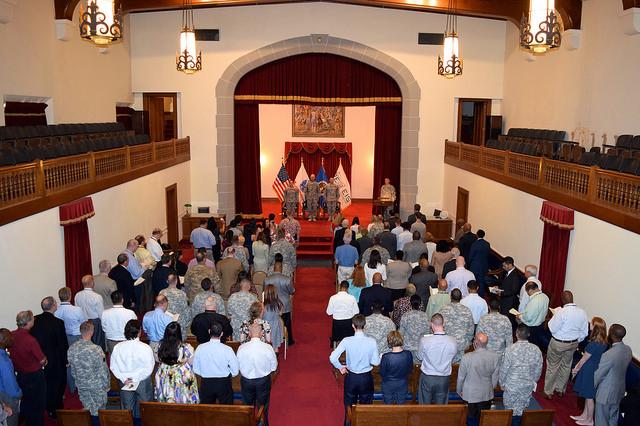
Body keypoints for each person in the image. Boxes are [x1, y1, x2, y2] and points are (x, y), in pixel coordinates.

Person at [329, 314, 379, 423]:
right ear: (364, 325)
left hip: (351, 378)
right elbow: (376, 362)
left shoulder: (347, 340)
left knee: (349, 406)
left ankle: (349, 423)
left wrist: (340, 367)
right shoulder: (372, 341)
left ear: (353, 326)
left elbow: (332, 357)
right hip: (366, 378)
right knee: (365, 407)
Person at [543, 290, 589, 400]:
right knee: (566, 365)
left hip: (559, 343)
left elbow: (552, 328)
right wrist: (576, 340)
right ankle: (560, 389)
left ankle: (548, 391)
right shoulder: (582, 312)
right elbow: (584, 332)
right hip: (573, 343)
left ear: (563, 300)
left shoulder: (561, 312)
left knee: (553, 366)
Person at [31, 297, 68, 418]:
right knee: (56, 385)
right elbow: (62, 344)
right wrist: (66, 360)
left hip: (38, 358)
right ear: (53, 306)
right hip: (55, 360)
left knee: (44, 384)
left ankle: (45, 406)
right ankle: (55, 409)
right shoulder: (58, 323)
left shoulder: (35, 320)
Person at [110, 320, 155, 419]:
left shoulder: (118, 347)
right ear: (139, 332)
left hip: (125, 381)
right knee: (144, 408)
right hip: (141, 381)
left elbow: (113, 366)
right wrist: (135, 378)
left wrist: (124, 379)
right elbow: (149, 368)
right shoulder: (146, 348)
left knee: (127, 409)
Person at [500, 325, 543, 426]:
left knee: (510, 412)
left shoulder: (510, 349)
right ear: (528, 334)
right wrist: (532, 381)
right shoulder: (536, 349)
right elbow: (538, 370)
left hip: (511, 386)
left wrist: (501, 383)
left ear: (516, 334)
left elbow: (504, 369)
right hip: (527, 386)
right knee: (522, 410)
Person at [237, 323, 278, 425]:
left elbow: (237, 366)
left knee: (247, 407)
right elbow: (274, 367)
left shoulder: (242, 348)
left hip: (246, 381)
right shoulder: (267, 348)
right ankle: (264, 423)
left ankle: (248, 423)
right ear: (262, 333)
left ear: (249, 334)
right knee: (263, 406)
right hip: (263, 381)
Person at [10, 311, 46, 426]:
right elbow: (42, 360)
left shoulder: (11, 336)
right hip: (35, 376)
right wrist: (45, 360)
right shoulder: (31, 340)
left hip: (20, 375)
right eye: (32, 319)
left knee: (26, 401)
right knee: (38, 403)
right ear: (28, 322)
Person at [571, 317, 608, 426]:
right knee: (588, 396)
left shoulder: (593, 344)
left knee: (589, 397)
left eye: (591, 323)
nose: (589, 324)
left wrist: (575, 369)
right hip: (594, 369)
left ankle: (589, 420)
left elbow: (583, 360)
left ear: (595, 327)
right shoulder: (603, 342)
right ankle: (584, 416)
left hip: (589, 370)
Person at [456, 333, 500, 425]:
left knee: (470, 419)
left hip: (470, 394)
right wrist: (490, 389)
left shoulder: (466, 357)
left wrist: (459, 390)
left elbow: (461, 377)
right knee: (482, 420)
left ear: (476, 342)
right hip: (486, 393)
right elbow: (495, 378)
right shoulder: (495, 357)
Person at [67, 321, 109, 417]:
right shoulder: (96, 349)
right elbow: (103, 370)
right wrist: (106, 385)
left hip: (81, 385)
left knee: (87, 409)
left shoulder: (71, 348)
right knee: (100, 411)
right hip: (96, 385)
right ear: (91, 332)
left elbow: (72, 370)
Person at [594, 324, 633, 426]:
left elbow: (599, 374)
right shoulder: (628, 350)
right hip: (619, 391)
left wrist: (595, 386)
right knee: (613, 419)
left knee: (601, 420)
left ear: (610, 335)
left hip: (605, 393)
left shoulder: (608, 354)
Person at [193, 322, 239, 404]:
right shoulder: (227, 349)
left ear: (209, 331)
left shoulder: (200, 348)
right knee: (226, 410)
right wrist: (227, 373)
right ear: (221, 334)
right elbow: (235, 370)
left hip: (206, 383)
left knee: (207, 412)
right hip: (223, 383)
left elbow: (196, 369)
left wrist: (205, 373)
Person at [416, 313, 457, 404]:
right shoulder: (453, 341)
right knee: (441, 408)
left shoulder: (424, 340)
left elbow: (419, 357)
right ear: (444, 323)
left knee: (425, 406)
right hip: (443, 378)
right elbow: (453, 358)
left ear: (431, 324)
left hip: (428, 377)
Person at [154, 322, 199, 404]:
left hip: (165, 373)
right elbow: (191, 362)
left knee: (166, 399)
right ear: (179, 333)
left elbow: (157, 359)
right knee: (183, 398)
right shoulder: (186, 347)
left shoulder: (159, 346)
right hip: (181, 375)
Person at [438, 288, 475, 364]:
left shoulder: (443, 310)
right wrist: (467, 342)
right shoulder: (467, 311)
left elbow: (438, 327)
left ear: (450, 297)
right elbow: (471, 331)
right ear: (461, 297)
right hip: (461, 345)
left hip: (446, 345)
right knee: (458, 370)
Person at [264, 260, 295, 345]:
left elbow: (265, 291)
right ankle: (289, 341)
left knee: (271, 322)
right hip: (285, 305)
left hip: (271, 304)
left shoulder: (267, 279)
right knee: (287, 323)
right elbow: (292, 291)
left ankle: (271, 339)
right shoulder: (287, 279)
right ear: (281, 269)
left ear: (274, 269)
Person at [379, 331, 413, 405]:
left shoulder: (386, 357)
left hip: (388, 383)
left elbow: (382, 372)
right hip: (402, 382)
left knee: (388, 404)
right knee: (401, 404)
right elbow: (410, 369)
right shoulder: (408, 354)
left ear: (389, 342)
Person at [74, 275, 105, 350]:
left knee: (86, 344)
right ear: (92, 283)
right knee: (98, 344)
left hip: (83, 322)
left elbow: (77, 310)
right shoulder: (97, 296)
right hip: (95, 322)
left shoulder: (77, 295)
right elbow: (101, 314)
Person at [489, 256, 522, 327]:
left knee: (506, 319)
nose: (503, 267)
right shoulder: (507, 272)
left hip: (509, 302)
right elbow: (504, 284)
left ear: (510, 265)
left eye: (504, 266)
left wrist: (501, 292)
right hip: (504, 299)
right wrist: (498, 288)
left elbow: (514, 290)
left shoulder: (515, 276)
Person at [516, 282, 549, 351]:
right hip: (541, 325)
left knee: (530, 347)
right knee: (536, 345)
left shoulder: (534, 301)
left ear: (530, 290)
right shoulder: (545, 297)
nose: (528, 294)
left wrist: (520, 316)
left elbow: (528, 317)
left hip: (531, 328)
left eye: (528, 292)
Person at [326, 281, 359, 346]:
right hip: (348, 322)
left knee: (338, 338)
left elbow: (329, 312)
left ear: (340, 287)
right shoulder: (352, 298)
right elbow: (356, 312)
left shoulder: (333, 298)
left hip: (337, 323)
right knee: (349, 339)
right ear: (348, 288)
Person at [399, 295, 430, 362]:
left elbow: (401, 333)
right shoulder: (425, 316)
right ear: (420, 304)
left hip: (407, 348)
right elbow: (427, 333)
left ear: (410, 303)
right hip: (420, 347)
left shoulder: (405, 316)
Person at [159, 273, 191, 340]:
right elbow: (186, 312)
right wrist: (186, 324)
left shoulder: (162, 293)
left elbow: (159, 309)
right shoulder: (182, 294)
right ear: (176, 281)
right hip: (179, 325)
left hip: (166, 324)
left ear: (167, 281)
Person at [0, 329, 21, 426]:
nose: (12, 338)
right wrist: (19, 393)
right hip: (7, 397)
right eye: (10, 337)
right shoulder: (3, 360)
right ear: (3, 340)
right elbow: (10, 384)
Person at [142, 295, 173, 359]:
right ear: (164, 303)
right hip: (164, 347)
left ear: (155, 304)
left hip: (151, 345)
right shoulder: (168, 318)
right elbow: (171, 335)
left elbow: (145, 330)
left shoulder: (146, 315)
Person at [468, 229, 490, 296]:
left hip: (475, 265)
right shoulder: (487, 244)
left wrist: (469, 264)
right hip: (484, 265)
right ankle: (481, 295)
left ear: (477, 235)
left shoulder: (474, 244)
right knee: (481, 281)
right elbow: (487, 255)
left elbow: (471, 255)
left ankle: (472, 294)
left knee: (473, 281)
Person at [262, 286, 284, 351]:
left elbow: (261, 316)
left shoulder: (263, 305)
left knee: (266, 345)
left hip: (266, 326)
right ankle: (275, 358)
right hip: (276, 325)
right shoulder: (279, 303)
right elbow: (280, 314)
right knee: (275, 345)